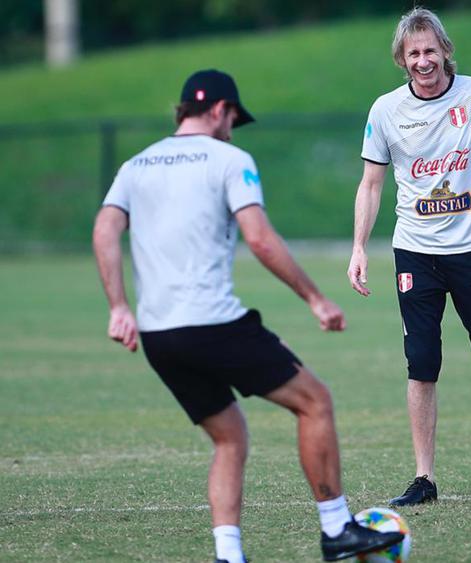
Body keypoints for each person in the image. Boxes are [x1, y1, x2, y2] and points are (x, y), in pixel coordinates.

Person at [92, 69, 403, 563]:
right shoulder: (229, 160)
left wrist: (118, 307)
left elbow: (105, 230)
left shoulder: (137, 165)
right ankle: (337, 528)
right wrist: (315, 298)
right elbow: (259, 239)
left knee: (229, 436)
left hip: (159, 336)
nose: (233, 131)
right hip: (213, 324)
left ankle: (229, 554)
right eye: (234, 119)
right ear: (220, 110)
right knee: (315, 402)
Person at [349, 8, 471, 506]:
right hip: (415, 253)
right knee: (421, 364)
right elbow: (370, 184)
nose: (423, 61)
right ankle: (424, 478)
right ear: (401, 59)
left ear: (445, 50)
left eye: (430, 50)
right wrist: (359, 246)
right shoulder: (385, 110)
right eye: (413, 53)